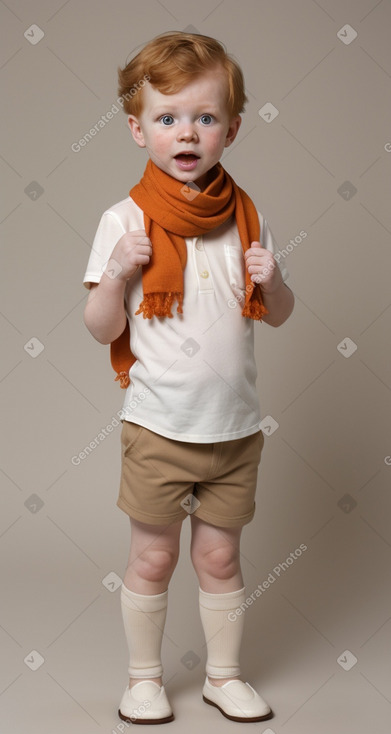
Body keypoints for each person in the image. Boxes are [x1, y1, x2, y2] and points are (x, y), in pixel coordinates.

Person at [83, 31, 294, 725]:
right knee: (150, 559)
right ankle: (144, 679)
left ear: (230, 129)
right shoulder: (124, 219)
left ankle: (222, 676)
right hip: (159, 426)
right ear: (137, 128)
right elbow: (102, 327)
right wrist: (116, 272)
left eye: (205, 118)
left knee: (219, 559)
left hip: (234, 429)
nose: (187, 133)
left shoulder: (248, 215)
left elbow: (277, 314)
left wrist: (277, 280)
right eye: (168, 117)